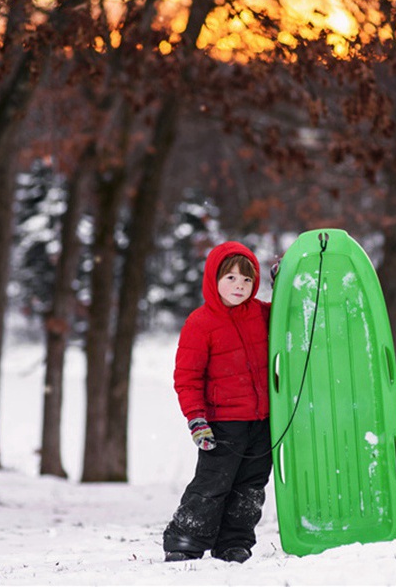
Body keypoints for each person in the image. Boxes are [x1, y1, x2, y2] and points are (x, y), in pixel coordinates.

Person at [163, 241, 273, 564]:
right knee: (214, 482)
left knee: (250, 486)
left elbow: (289, 312)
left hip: (262, 421)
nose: (239, 286)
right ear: (214, 278)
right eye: (231, 278)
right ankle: (186, 537)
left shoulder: (263, 314)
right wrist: (197, 419)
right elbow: (187, 377)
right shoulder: (201, 323)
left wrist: (284, 281)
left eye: (247, 280)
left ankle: (234, 542)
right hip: (222, 424)